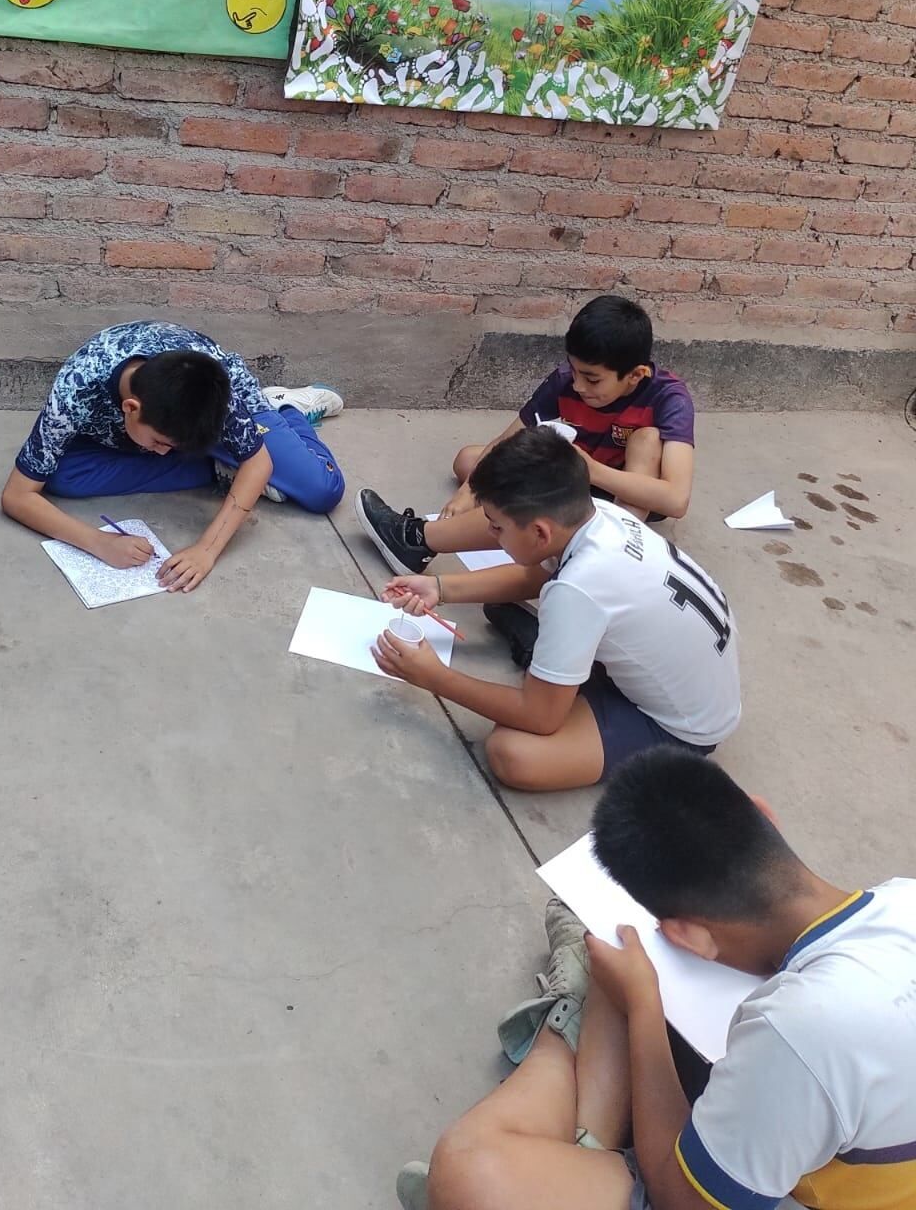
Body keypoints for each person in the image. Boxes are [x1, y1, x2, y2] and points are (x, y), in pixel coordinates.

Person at [399, 748, 916, 1210]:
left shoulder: (799, 1032)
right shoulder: (904, 900)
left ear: (691, 937)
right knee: (619, 960)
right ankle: (580, 1146)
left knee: (472, 1174)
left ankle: (570, 1054)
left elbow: (683, 1200)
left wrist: (644, 1003)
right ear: (766, 816)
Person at [371, 428, 739, 791]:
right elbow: (537, 578)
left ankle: (549, 660)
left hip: (678, 726)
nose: (491, 535)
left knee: (512, 752)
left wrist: (433, 677)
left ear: (540, 534)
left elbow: (540, 717)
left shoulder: (578, 590)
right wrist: (440, 587)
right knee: (540, 683)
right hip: (686, 678)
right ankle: (555, 661)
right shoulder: (604, 517)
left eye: (497, 528)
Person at [355, 295, 695, 577]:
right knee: (471, 463)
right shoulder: (564, 382)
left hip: (627, 491)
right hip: (580, 476)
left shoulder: (669, 398)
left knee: (646, 439)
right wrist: (467, 493)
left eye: (591, 379)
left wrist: (593, 470)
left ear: (636, 374)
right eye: (574, 371)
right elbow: (507, 441)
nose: (577, 385)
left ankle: (419, 539)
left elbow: (676, 499)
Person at [0, 321, 344, 592]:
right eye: (162, 442)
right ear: (131, 408)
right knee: (61, 477)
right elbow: (17, 495)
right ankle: (221, 464)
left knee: (320, 490)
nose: (166, 453)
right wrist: (98, 542)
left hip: (228, 417)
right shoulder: (75, 389)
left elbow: (259, 462)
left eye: (173, 447)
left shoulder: (215, 394)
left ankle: (287, 408)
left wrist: (206, 551)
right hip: (136, 435)